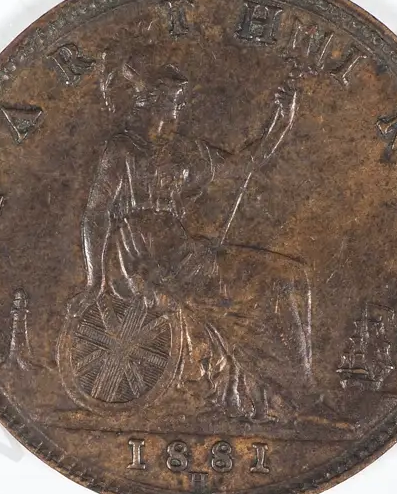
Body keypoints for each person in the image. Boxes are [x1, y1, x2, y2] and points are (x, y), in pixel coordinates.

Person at [69, 52, 319, 422]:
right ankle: (291, 394)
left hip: (186, 254)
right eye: (170, 104)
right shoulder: (122, 149)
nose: (175, 113)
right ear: (148, 104)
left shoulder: (186, 151)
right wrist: (95, 282)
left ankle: (303, 385)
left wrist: (283, 117)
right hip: (144, 260)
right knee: (261, 291)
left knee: (292, 274)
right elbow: (96, 214)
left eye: (177, 105)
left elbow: (247, 163)